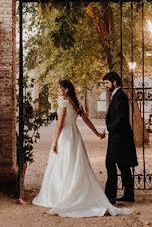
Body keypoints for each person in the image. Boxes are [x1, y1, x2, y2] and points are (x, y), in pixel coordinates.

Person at [32, 79, 131, 217]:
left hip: (65, 136)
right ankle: (78, 191)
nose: (58, 91)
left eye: (59, 88)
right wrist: (97, 133)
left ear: (66, 90)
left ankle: (62, 194)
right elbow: (86, 119)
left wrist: (54, 141)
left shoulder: (63, 102)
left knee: (63, 165)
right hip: (75, 136)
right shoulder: (77, 103)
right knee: (76, 164)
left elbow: (59, 124)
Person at [102, 71, 137, 204]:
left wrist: (109, 128)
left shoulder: (120, 96)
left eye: (107, 83)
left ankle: (110, 196)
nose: (105, 85)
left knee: (110, 163)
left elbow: (122, 116)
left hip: (118, 136)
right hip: (120, 135)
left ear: (114, 82)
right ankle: (129, 194)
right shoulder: (117, 95)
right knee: (123, 164)